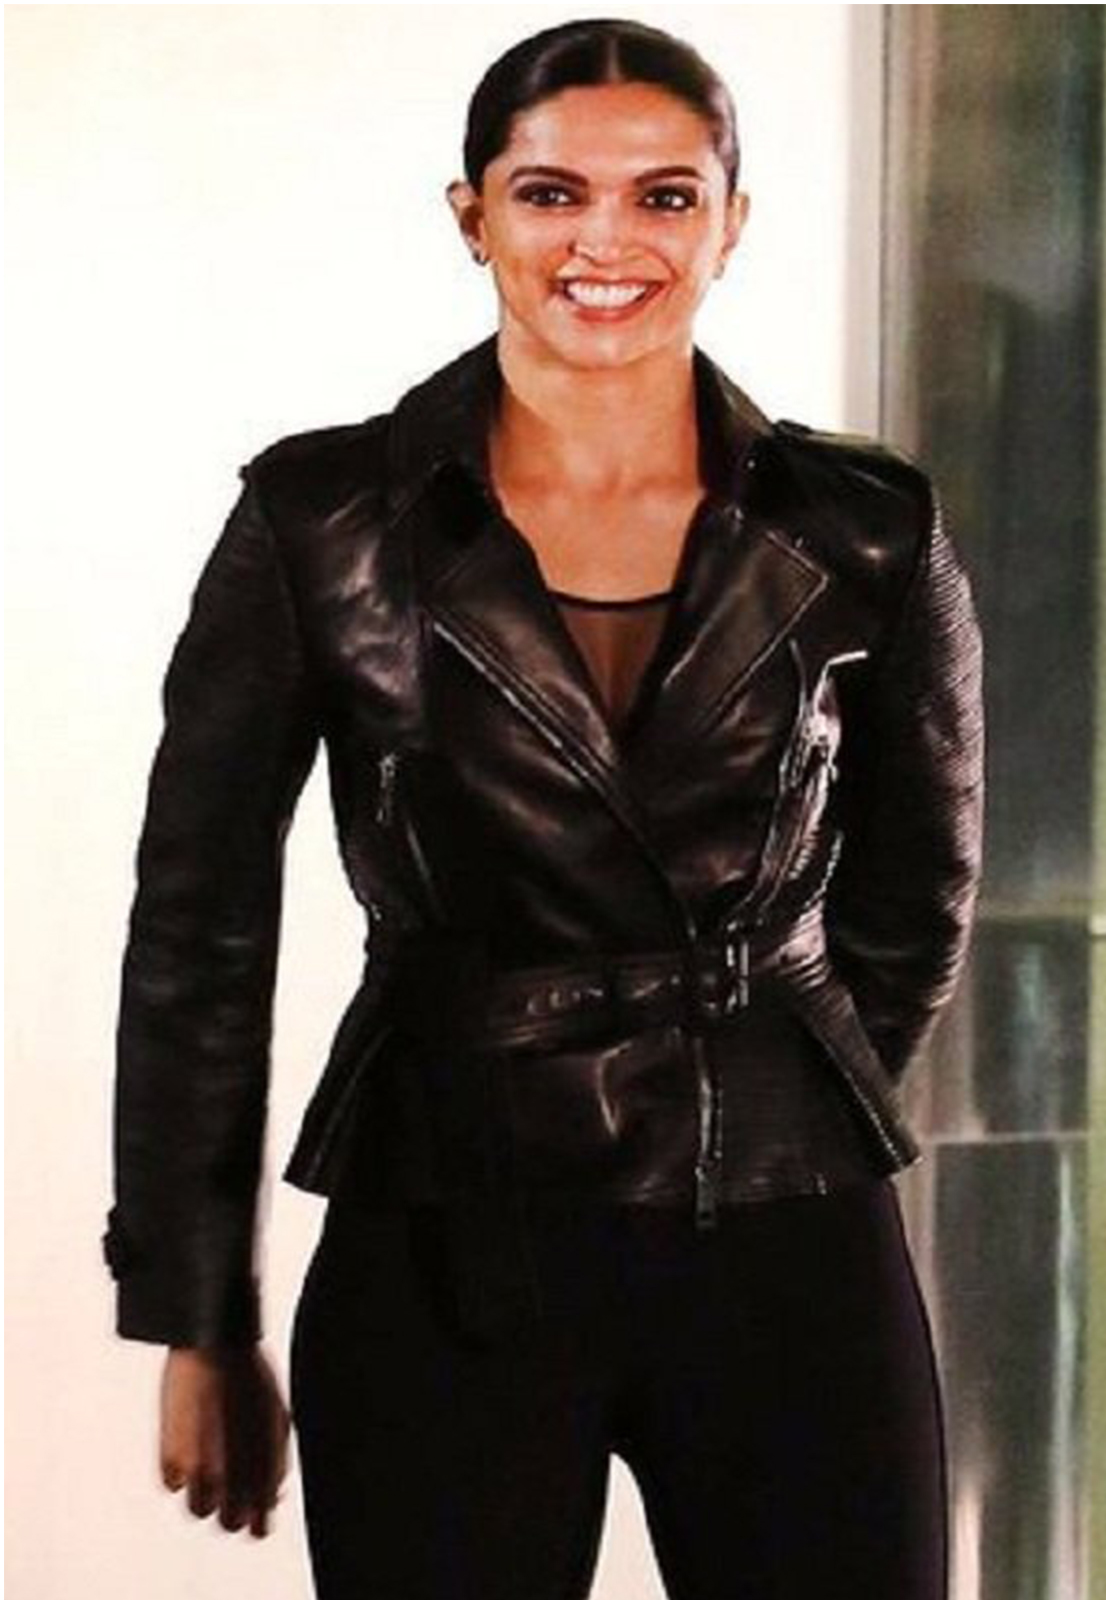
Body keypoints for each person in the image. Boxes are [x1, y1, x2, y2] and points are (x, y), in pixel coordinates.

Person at [102, 18, 984, 1600]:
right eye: (551, 192)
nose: (605, 242)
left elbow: (918, 894)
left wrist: (774, 1076)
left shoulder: (866, 524)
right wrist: (197, 1311)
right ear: (473, 215)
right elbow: (198, 932)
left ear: (732, 221)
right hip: (443, 1222)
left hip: (784, 1237)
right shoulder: (323, 520)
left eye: (665, 196)